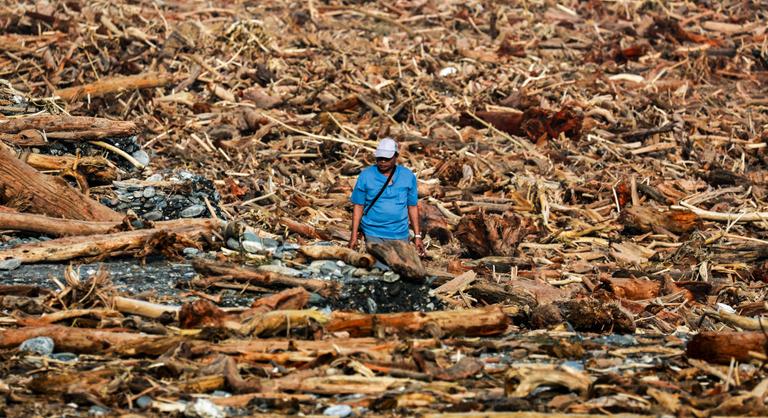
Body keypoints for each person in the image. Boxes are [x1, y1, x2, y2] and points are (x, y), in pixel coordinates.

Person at [348, 138, 425, 256]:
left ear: (396, 156)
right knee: (380, 266)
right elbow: (358, 206)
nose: (382, 162)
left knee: (401, 266)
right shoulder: (366, 175)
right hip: (373, 231)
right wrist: (353, 237)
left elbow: (412, 207)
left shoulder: (407, 176)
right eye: (379, 158)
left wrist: (417, 236)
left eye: (387, 158)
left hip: (400, 233)